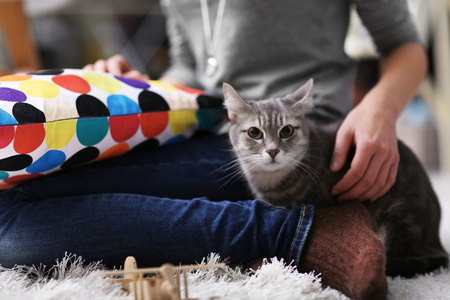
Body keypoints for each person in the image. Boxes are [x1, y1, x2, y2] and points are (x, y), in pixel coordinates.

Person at [0, 1, 427, 299]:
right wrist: (136, 85)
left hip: (298, 142)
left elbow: (405, 44)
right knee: (12, 200)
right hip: (209, 125)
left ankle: (299, 230)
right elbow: (191, 65)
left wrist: (380, 108)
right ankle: (303, 227)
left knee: (11, 222)